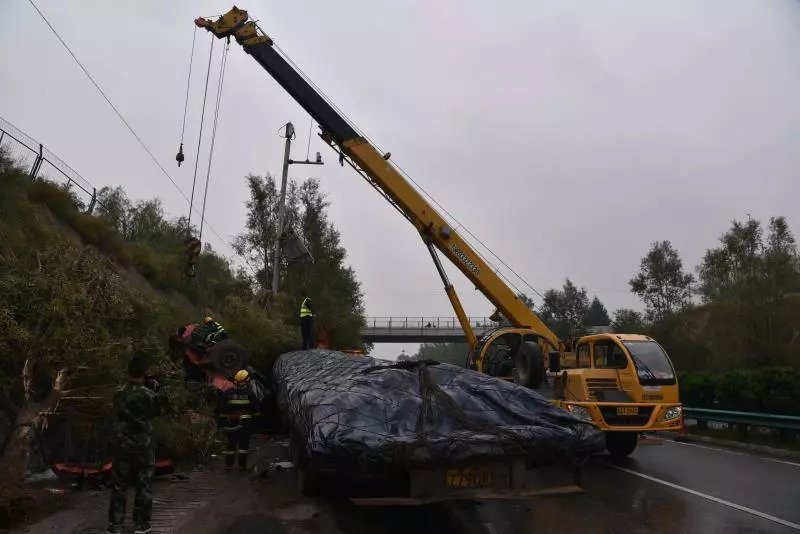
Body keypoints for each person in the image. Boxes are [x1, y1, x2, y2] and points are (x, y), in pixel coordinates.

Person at [107, 356, 163, 534]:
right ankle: (141, 524)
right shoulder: (149, 395)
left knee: (119, 485)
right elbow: (157, 412)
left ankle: (116, 525)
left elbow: (117, 412)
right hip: (143, 446)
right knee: (143, 484)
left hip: (122, 444)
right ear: (145, 373)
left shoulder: (119, 393)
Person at [219, 369, 261, 471]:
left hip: (231, 423)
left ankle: (229, 465)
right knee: (243, 446)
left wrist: (223, 422)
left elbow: (222, 410)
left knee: (231, 444)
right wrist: (256, 421)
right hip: (245, 424)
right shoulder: (250, 394)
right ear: (246, 381)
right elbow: (256, 410)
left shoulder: (227, 393)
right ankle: (242, 466)